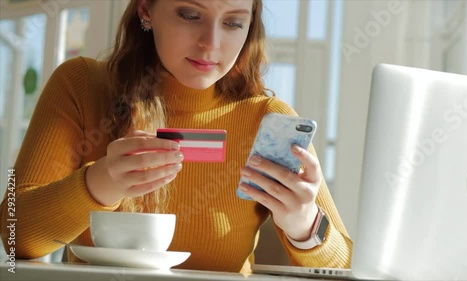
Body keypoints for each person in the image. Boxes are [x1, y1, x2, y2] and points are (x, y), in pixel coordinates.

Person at [0, 0, 352, 273]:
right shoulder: (81, 86)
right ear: (146, 10)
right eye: (189, 14)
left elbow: (345, 264)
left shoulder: (267, 120)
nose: (210, 44)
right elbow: (15, 237)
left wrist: (305, 226)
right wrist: (98, 182)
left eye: (233, 22)